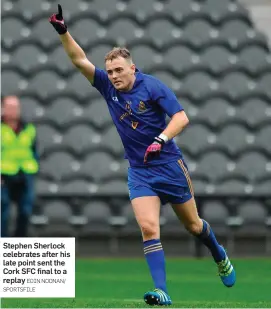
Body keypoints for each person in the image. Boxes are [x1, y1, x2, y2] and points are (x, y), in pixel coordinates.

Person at [49, 5, 236, 305]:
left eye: (119, 70)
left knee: (193, 226)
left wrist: (161, 139)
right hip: (140, 171)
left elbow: (182, 118)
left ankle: (218, 253)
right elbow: (78, 59)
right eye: (109, 71)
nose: (113, 76)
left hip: (169, 166)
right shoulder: (107, 88)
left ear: (133, 68)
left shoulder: (153, 87)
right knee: (149, 227)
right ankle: (162, 290)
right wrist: (63, 32)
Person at [1, 95, 39, 237]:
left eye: (16, 107)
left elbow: (34, 150)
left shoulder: (29, 128)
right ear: (3, 109)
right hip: (4, 175)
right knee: (3, 212)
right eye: (10, 107)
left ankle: (19, 247)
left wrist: (35, 167)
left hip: (25, 174)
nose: (13, 111)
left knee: (25, 211)